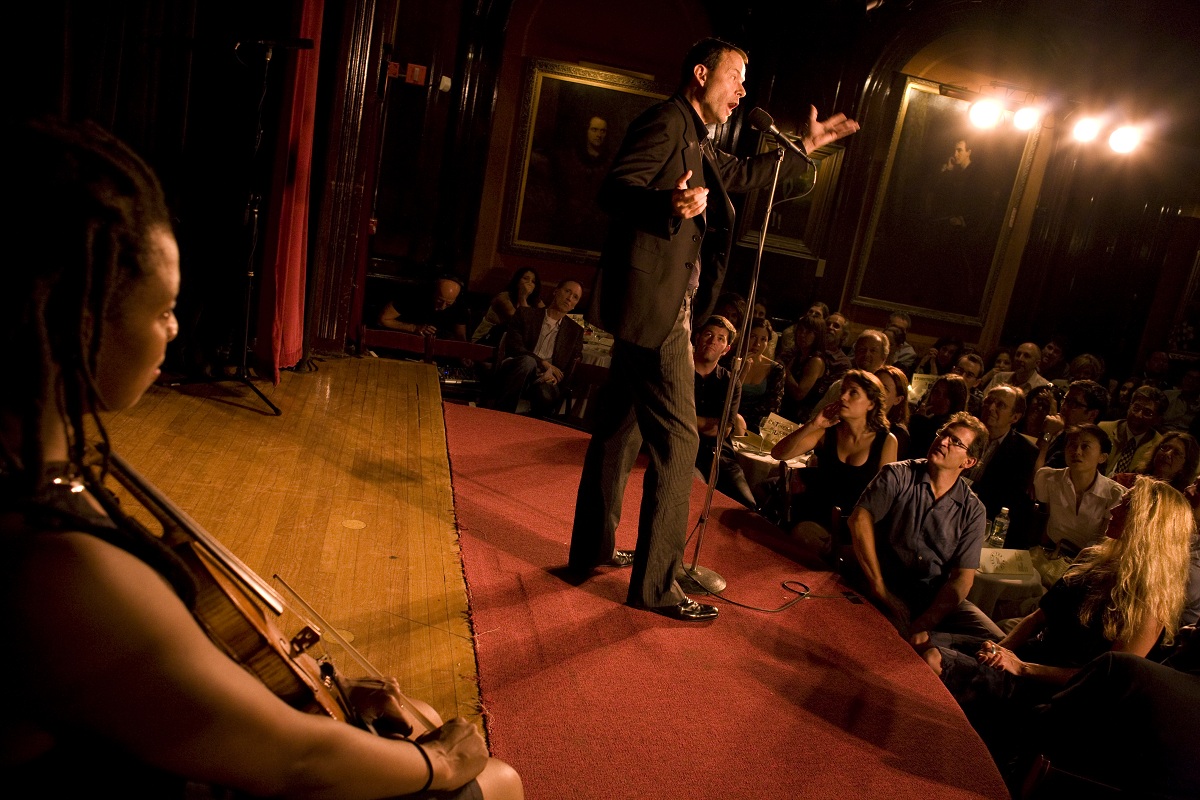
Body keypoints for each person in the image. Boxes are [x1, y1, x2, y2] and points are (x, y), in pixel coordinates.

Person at [0, 118, 522, 799]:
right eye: (164, 310)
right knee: (495, 782)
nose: (175, 329)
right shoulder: (56, 568)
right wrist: (441, 766)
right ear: (79, 320)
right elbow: (295, 761)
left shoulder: (39, 470)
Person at [567, 38, 860, 622]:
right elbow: (615, 189)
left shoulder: (698, 137)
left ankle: (593, 549)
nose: (743, 91)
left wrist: (804, 147)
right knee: (680, 443)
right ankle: (656, 586)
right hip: (658, 314)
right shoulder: (666, 121)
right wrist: (666, 205)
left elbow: (746, 175)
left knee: (620, 434)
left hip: (648, 308)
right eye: (735, 78)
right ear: (702, 74)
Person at [924, 478, 1193, 765]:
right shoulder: (1092, 557)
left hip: (1054, 689)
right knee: (924, 641)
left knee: (936, 659)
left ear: (1146, 524)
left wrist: (1023, 668)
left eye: (1125, 506)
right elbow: (1039, 617)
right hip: (1028, 654)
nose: (1113, 509)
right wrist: (996, 649)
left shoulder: (1149, 603)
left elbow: (1101, 679)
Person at [847, 412, 1001, 646]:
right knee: (894, 637)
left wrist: (927, 621)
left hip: (932, 598)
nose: (943, 441)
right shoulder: (897, 474)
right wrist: (880, 588)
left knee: (998, 642)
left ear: (968, 462)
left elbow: (962, 579)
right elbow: (858, 520)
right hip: (887, 584)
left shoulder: (973, 510)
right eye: (943, 434)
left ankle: (936, 650)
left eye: (955, 441)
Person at [771, 369, 898, 559]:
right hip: (815, 515)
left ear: (871, 403)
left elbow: (885, 499)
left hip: (852, 524)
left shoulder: (885, 441)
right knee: (805, 537)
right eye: (843, 391)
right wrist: (814, 424)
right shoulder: (829, 432)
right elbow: (779, 453)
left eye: (853, 392)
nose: (844, 397)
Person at [483, 280, 584, 416]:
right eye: (567, 291)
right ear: (556, 291)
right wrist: (542, 363)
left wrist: (556, 377)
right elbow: (514, 346)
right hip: (518, 367)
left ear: (575, 305)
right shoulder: (526, 314)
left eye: (575, 297)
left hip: (546, 377)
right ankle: (501, 416)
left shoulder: (575, 331)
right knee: (528, 362)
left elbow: (574, 361)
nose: (569, 298)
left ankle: (534, 430)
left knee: (545, 393)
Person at [692, 316, 756, 508]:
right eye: (709, 334)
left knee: (747, 505)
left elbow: (722, 430)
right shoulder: (679, 370)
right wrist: (704, 422)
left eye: (721, 338)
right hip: (684, 448)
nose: (713, 341)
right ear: (697, 338)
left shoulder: (730, 382)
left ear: (727, 349)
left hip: (718, 454)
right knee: (696, 493)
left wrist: (686, 418)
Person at [1032, 424, 1125, 556]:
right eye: (1072, 445)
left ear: (1102, 457)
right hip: (1052, 553)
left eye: (1085, 446)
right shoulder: (1049, 478)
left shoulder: (1115, 494)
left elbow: (1105, 544)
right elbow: (1047, 518)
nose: (1077, 452)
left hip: (1087, 560)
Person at [967, 386, 1038, 547]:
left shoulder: (1024, 451)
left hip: (983, 523)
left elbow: (1006, 498)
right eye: (989, 401)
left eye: (1000, 405)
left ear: (1015, 417)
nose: (991, 408)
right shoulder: (964, 434)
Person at [1099, 384, 1167, 477]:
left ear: (1157, 419)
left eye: (1147, 413)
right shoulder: (1103, 429)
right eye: (1136, 408)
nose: (1138, 415)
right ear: (1129, 406)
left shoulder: (1158, 445)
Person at [379, 273, 470, 341]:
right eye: (439, 300)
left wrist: (463, 356)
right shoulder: (413, 295)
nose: (442, 307)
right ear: (433, 291)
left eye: (449, 304)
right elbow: (383, 319)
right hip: (402, 342)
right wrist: (414, 328)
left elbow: (460, 337)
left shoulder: (459, 305)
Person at [737, 317, 786, 434]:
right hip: (730, 421)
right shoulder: (731, 363)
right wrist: (741, 372)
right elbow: (724, 399)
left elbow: (773, 409)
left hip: (757, 428)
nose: (757, 344)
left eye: (763, 339)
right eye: (753, 337)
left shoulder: (776, 370)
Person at [471, 267, 543, 344]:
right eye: (525, 279)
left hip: (507, 344)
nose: (529, 283)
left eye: (533, 281)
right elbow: (520, 321)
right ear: (517, 281)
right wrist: (523, 296)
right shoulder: (503, 297)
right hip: (485, 340)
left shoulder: (535, 301)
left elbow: (544, 318)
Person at [1111, 431, 1200, 493]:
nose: (1167, 454)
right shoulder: (1123, 481)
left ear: (1186, 465)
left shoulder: (1181, 502)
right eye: (1165, 448)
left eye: (1176, 453)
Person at [907, 373, 969, 460]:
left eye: (946, 395)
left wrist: (919, 422)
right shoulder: (922, 419)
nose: (939, 398)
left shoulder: (952, 432)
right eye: (936, 392)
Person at [779, 315, 828, 422]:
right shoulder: (798, 354)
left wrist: (783, 368)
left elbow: (799, 394)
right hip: (786, 411)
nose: (802, 334)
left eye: (808, 332)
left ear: (817, 336)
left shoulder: (816, 361)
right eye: (800, 330)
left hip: (799, 417)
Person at [875, 365, 912, 459]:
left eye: (884, 389)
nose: (876, 391)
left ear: (898, 399)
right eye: (874, 385)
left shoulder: (898, 434)